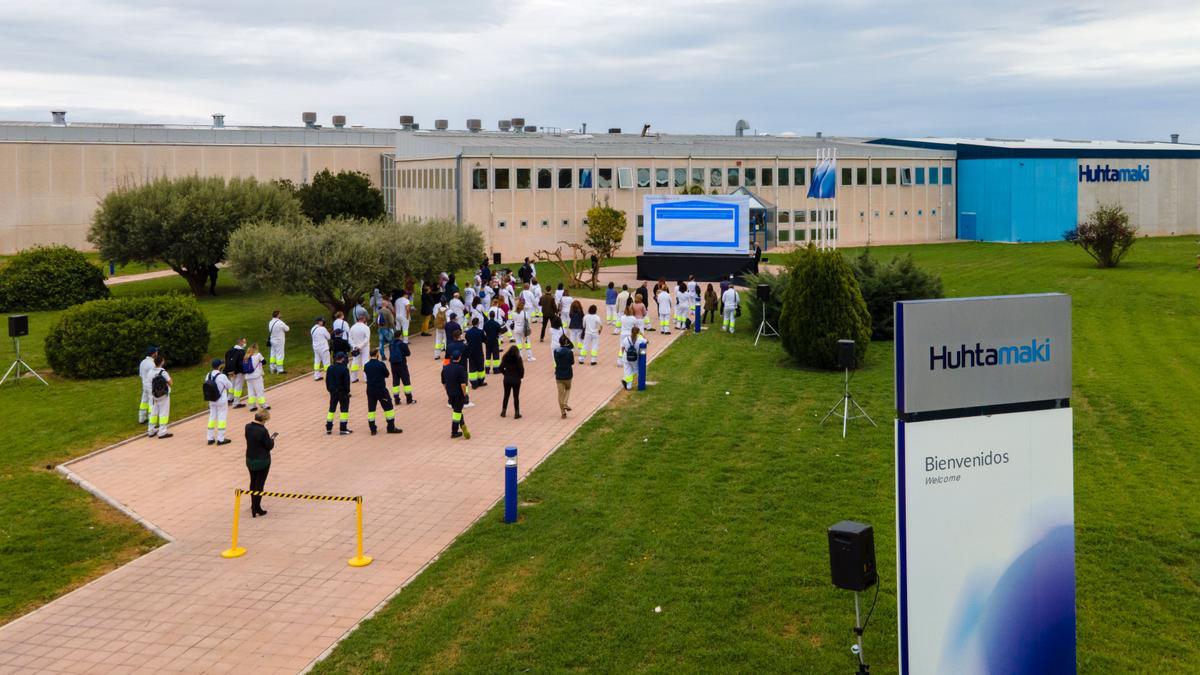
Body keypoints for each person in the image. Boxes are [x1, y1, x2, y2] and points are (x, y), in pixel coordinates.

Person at [245, 409, 276, 518]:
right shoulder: (263, 431)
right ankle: (256, 507)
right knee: (260, 484)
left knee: (252, 481)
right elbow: (269, 446)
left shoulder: (247, 427)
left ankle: (253, 503)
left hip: (250, 459)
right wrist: (272, 440)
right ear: (264, 419)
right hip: (262, 461)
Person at [363, 348, 402, 436]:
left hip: (370, 390)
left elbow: (366, 373)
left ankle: (372, 429)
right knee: (388, 408)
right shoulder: (381, 364)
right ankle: (391, 427)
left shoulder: (366, 365)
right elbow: (387, 374)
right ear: (377, 354)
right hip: (381, 390)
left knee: (371, 410)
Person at [441, 350, 471, 439]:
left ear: (451, 358)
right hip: (459, 394)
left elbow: (443, 382)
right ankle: (454, 432)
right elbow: (463, 384)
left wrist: (447, 391)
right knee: (457, 412)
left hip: (450, 393)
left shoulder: (445, 368)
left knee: (456, 409)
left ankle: (462, 424)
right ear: (459, 358)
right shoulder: (460, 369)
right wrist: (465, 394)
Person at [204, 358, 232, 446]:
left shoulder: (208, 375)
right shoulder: (222, 376)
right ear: (220, 366)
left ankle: (210, 438)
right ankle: (221, 439)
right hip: (221, 400)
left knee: (212, 418)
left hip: (211, 400)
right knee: (222, 419)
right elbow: (229, 386)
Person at [145, 352, 173, 439]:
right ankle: (162, 432)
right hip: (163, 396)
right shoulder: (163, 372)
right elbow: (171, 383)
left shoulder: (150, 372)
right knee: (163, 413)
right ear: (161, 362)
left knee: (153, 413)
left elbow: (148, 383)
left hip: (153, 396)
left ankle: (151, 430)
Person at [325, 352, 352, 435]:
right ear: (342, 359)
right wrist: (347, 392)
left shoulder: (330, 368)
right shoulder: (345, 369)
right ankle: (343, 428)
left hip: (333, 393)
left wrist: (330, 390)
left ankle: (329, 427)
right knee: (344, 410)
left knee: (331, 410)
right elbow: (347, 383)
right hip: (342, 393)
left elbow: (327, 381)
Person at [387, 333, 416, 405]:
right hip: (402, 365)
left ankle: (396, 400)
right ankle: (409, 399)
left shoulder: (391, 344)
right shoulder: (402, 344)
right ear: (400, 336)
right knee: (406, 382)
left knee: (395, 382)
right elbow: (408, 354)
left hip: (393, 365)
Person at [553, 334, 574, 419]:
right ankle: (565, 403)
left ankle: (563, 412)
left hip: (559, 374)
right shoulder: (569, 352)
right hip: (568, 374)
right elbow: (572, 362)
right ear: (566, 342)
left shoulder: (555, 351)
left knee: (560, 394)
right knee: (568, 388)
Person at [244, 342, 268, 411]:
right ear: (256, 348)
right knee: (259, 390)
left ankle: (252, 406)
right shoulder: (258, 355)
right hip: (256, 376)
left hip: (248, 376)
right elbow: (264, 362)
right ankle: (263, 404)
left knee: (251, 391)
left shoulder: (246, 356)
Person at [224, 338, 247, 408]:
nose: (245, 343)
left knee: (232, 385)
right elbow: (241, 363)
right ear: (240, 342)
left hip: (231, 372)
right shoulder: (242, 352)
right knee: (238, 387)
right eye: (244, 342)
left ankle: (229, 399)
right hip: (239, 372)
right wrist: (244, 371)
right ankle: (236, 402)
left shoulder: (230, 350)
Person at [137, 345, 158, 423]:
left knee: (144, 401)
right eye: (156, 352)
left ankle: (141, 418)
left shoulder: (142, 362)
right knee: (152, 402)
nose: (157, 353)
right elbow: (155, 376)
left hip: (144, 384)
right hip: (151, 385)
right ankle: (152, 421)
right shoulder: (152, 364)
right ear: (153, 354)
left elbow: (141, 375)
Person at [621, 326, 645, 390]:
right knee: (636, 370)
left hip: (626, 357)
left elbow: (622, 348)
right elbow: (646, 341)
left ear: (631, 332)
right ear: (638, 332)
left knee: (627, 371)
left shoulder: (626, 339)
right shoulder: (640, 339)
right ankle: (625, 379)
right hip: (635, 358)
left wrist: (623, 355)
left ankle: (629, 386)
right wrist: (642, 335)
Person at [348, 314, 371, 383]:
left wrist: (355, 346)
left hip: (355, 348)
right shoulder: (366, 327)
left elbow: (349, 338)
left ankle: (353, 378)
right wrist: (360, 346)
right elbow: (367, 339)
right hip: (364, 347)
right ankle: (366, 378)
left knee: (355, 362)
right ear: (364, 319)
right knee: (365, 362)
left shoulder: (352, 327)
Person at [465, 317, 487, 388]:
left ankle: (474, 383)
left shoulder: (468, 332)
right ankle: (481, 381)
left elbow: (467, 340)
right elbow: (485, 340)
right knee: (480, 367)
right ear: (478, 323)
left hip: (470, 352)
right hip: (479, 352)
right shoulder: (480, 332)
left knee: (472, 368)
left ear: (472, 323)